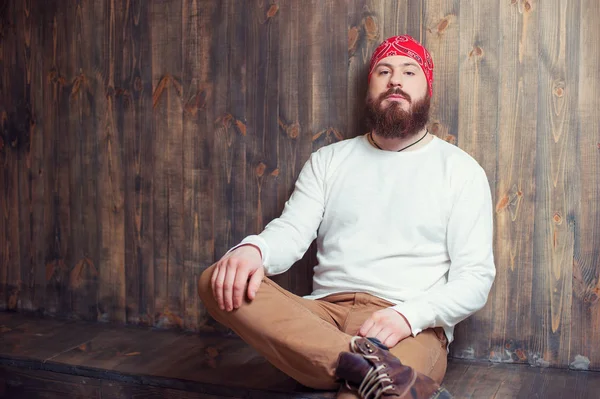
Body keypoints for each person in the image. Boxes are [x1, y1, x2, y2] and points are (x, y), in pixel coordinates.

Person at [198, 35, 495, 399]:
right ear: (370, 89)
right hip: (322, 315)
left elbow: (475, 279)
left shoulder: (461, 171)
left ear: (427, 89)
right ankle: (368, 367)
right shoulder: (329, 160)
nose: (395, 80)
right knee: (219, 279)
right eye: (383, 71)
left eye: (409, 71)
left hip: (410, 327)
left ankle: (350, 369)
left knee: (359, 395)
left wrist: (409, 315)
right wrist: (254, 251)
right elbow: (291, 232)